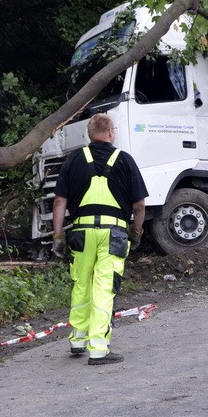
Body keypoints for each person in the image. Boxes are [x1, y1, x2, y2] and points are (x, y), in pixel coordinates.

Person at [50, 113, 147, 365]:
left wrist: (58, 235)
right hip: (113, 234)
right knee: (104, 286)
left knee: (81, 282)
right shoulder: (125, 160)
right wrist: (136, 233)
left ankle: (77, 340)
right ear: (111, 133)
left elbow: (60, 201)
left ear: (88, 134)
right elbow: (139, 204)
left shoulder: (73, 159)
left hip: (81, 233)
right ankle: (99, 348)